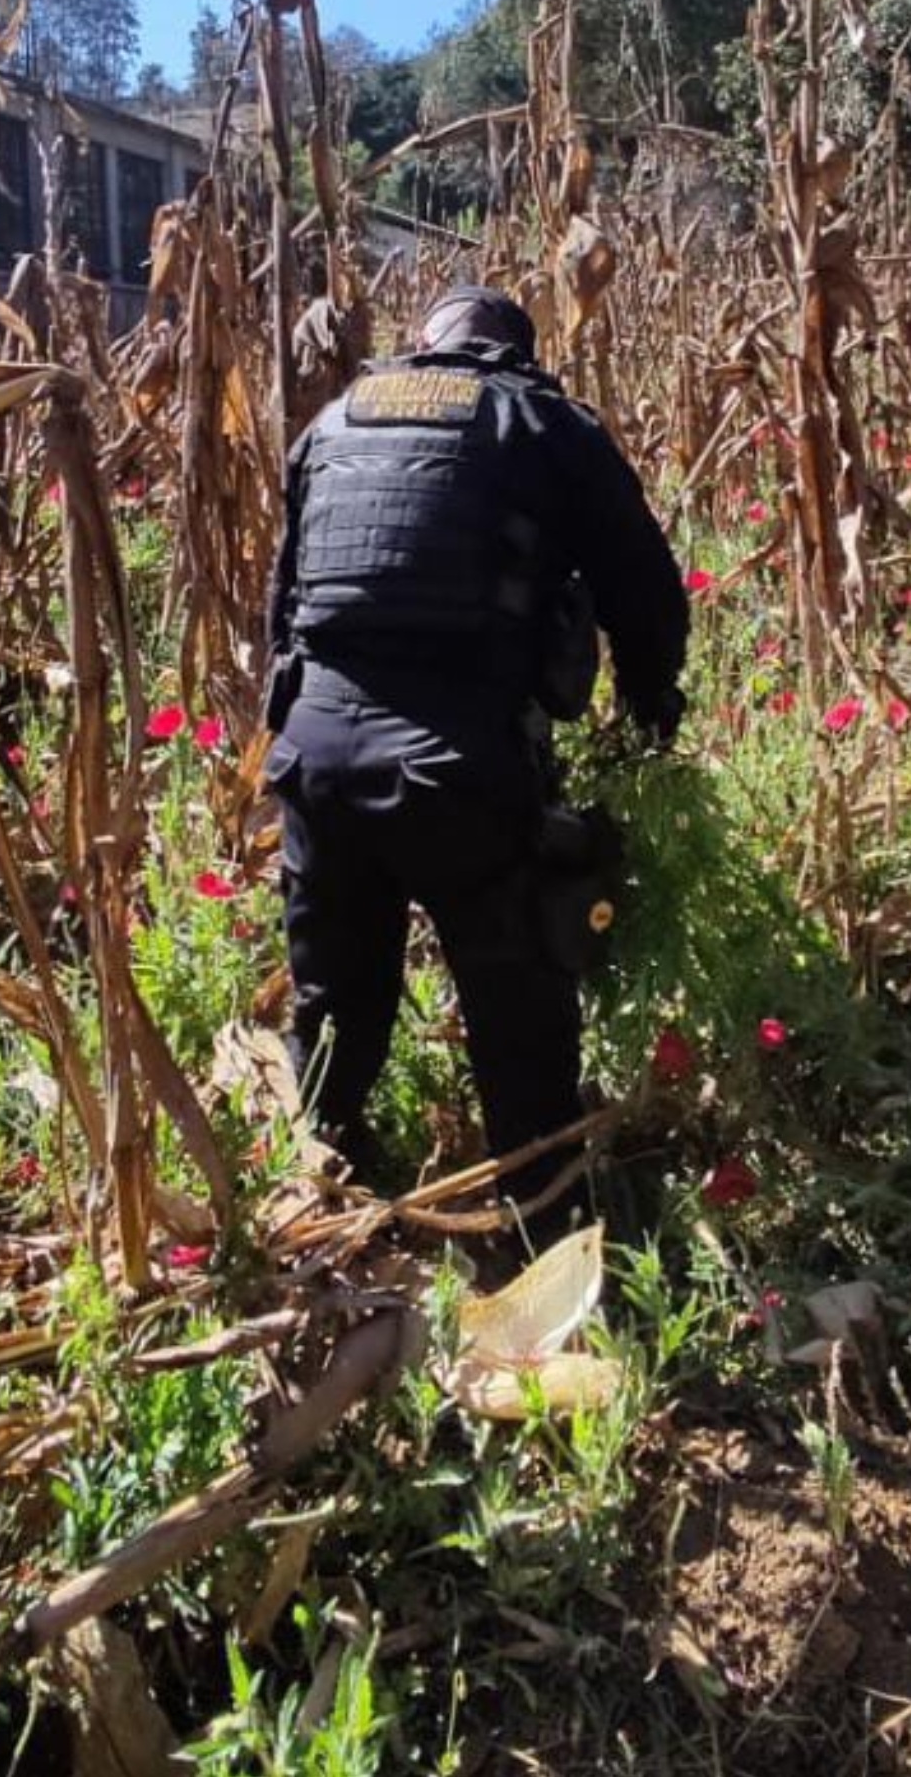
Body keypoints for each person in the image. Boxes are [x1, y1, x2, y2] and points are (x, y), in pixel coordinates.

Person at [264, 285, 688, 1223]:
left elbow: (283, 601)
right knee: (519, 1014)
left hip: (316, 757)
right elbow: (646, 588)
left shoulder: (335, 420)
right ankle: (543, 1225)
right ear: (517, 354)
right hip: (462, 771)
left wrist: (289, 737)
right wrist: (652, 713)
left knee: (334, 1000)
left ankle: (321, 1195)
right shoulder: (540, 421)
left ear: (425, 348)